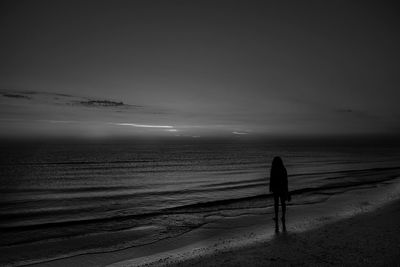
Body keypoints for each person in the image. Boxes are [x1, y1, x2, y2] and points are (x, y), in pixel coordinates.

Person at [269, 156, 290, 232]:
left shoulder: (273, 169)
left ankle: (277, 217)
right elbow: (286, 180)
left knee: (276, 203)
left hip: (276, 188)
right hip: (282, 188)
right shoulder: (283, 169)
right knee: (283, 203)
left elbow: (271, 179)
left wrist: (270, 188)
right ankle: (283, 217)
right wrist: (287, 190)